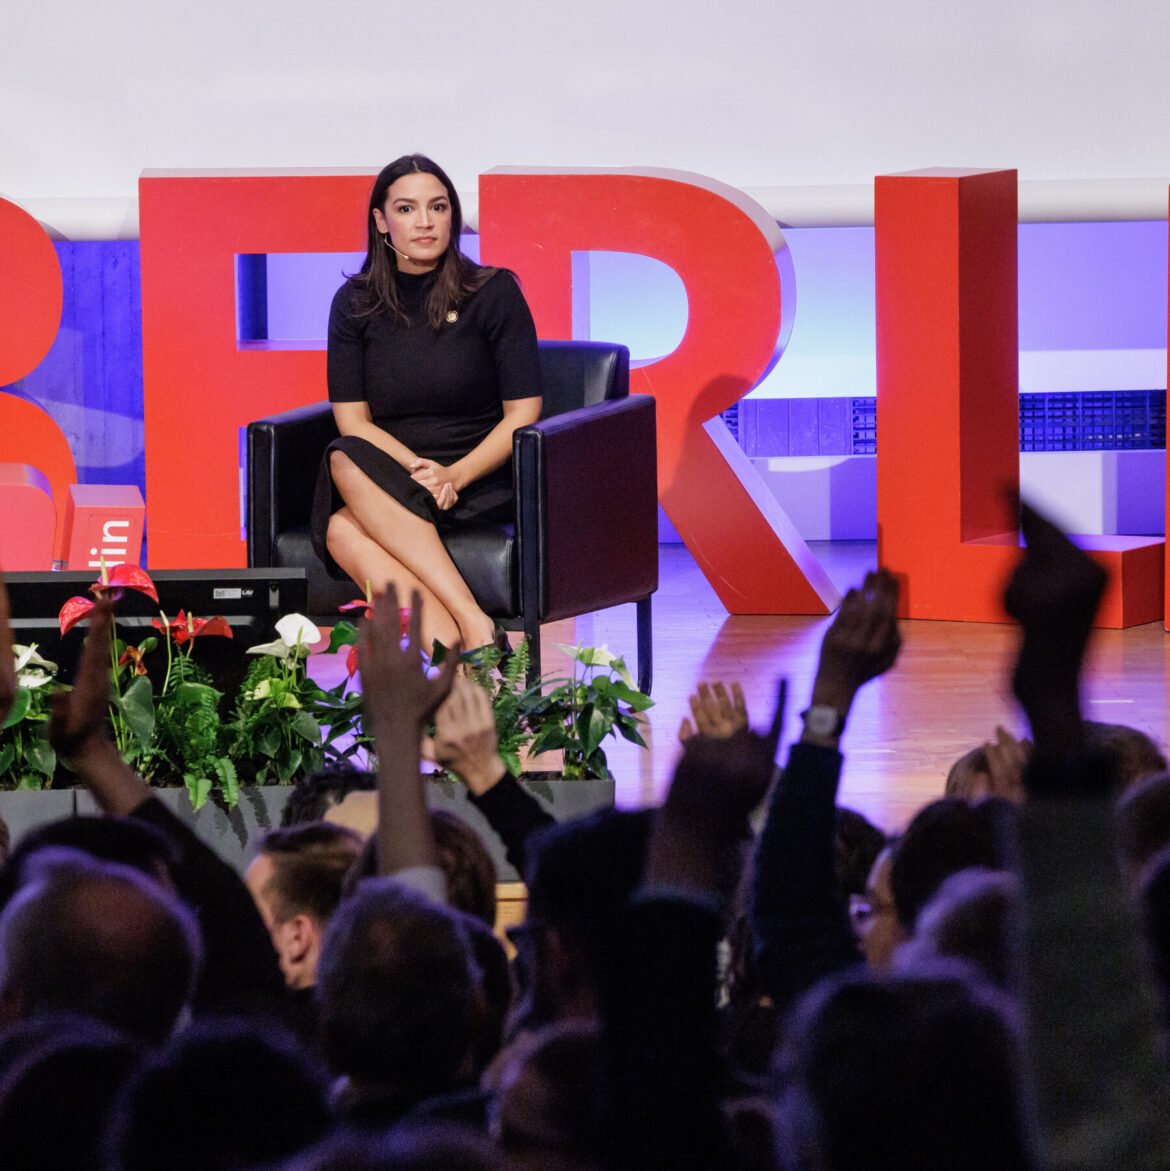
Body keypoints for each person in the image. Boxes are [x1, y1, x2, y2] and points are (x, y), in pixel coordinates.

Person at [312, 153, 542, 654]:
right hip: (397, 474)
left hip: (476, 477)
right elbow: (353, 421)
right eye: (407, 208)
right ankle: (470, 640)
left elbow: (524, 412)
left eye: (438, 207)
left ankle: (463, 650)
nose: (425, 221)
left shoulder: (493, 292)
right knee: (344, 456)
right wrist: (421, 472)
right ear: (381, 221)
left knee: (340, 528)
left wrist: (453, 476)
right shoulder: (354, 303)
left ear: (452, 216)